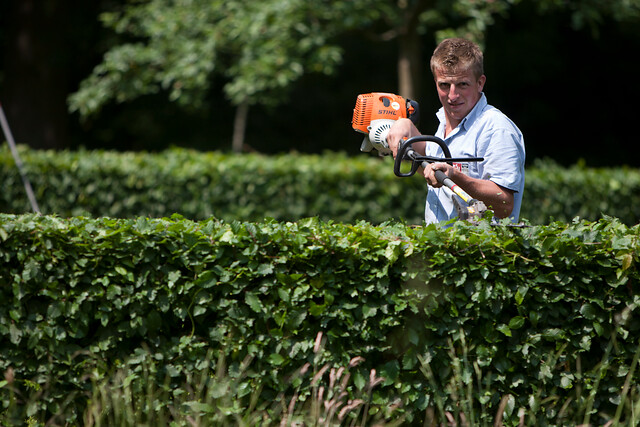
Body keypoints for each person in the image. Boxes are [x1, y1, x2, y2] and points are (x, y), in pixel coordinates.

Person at [387, 37, 525, 224]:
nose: (452, 96)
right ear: (435, 82)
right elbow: (429, 167)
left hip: (481, 242)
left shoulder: (497, 129)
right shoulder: (445, 122)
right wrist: (405, 126)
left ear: (480, 83)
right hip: (440, 240)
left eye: (462, 84)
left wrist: (456, 176)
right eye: (444, 85)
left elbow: (504, 204)